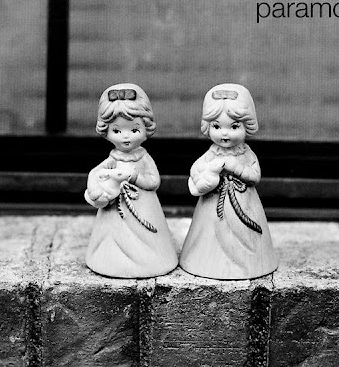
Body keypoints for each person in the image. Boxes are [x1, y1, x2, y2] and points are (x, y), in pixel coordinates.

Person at [180, 83, 278, 279]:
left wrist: (237, 168)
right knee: (210, 232)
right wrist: (204, 173)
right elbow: (196, 168)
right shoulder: (212, 152)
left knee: (243, 234)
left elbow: (254, 176)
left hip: (243, 201)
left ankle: (248, 263)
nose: (224, 133)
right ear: (208, 126)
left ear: (247, 126)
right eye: (217, 126)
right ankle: (206, 261)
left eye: (234, 126)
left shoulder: (245, 153)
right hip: (213, 203)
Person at [85, 83, 178, 278]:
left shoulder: (143, 157)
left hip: (144, 208)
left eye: (134, 130)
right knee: (112, 235)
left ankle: (150, 261)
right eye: (117, 131)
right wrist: (96, 184)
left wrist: (133, 176)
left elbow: (153, 182)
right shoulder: (113, 159)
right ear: (106, 131)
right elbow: (96, 172)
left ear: (146, 128)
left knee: (145, 237)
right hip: (114, 209)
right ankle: (109, 260)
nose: (125, 136)